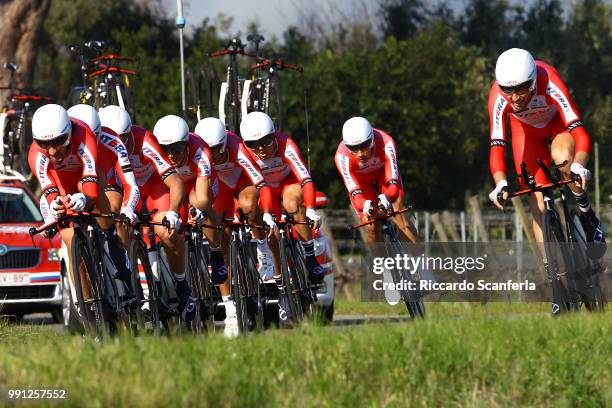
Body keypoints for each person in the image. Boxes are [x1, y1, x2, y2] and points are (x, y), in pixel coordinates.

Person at [487, 48, 605, 260]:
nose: (514, 98)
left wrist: (578, 165)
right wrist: (500, 183)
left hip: (556, 124)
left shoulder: (548, 78)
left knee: (563, 160)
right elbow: (497, 145)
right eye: (507, 90)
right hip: (525, 133)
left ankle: (587, 216)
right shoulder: (497, 96)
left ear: (532, 83)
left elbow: (580, 133)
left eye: (521, 90)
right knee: (536, 196)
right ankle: (551, 272)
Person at [98, 105, 196, 322]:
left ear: (131, 132)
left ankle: (181, 285)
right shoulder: (102, 146)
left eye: (124, 138)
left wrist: (172, 212)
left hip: (153, 188)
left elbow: (174, 181)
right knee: (116, 217)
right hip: (122, 188)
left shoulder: (145, 140)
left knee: (166, 231)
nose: (119, 145)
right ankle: (130, 281)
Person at [152, 115, 236, 337]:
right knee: (164, 223)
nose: (171, 155)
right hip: (174, 190)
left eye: (177, 149)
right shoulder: (158, 153)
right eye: (165, 149)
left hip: (200, 187)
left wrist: (198, 210)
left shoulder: (201, 151)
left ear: (187, 145)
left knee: (202, 204)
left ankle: (217, 257)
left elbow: (204, 194)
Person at [194, 117, 279, 331]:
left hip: (242, 183)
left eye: (218, 150)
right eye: (209, 150)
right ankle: (229, 306)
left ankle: (262, 249)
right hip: (218, 188)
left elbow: (260, 182)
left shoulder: (236, 147)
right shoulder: (199, 154)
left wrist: (267, 213)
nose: (213, 155)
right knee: (219, 239)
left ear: (225, 143)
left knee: (249, 205)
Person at [28, 103, 113, 312]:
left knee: (103, 207)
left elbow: (92, 187)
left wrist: (85, 198)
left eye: (58, 142)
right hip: (61, 185)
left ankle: (115, 251)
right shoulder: (35, 155)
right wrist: (56, 202)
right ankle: (87, 305)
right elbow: (48, 190)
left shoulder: (84, 135)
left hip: (84, 179)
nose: (52, 151)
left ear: (69, 134)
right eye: (44, 144)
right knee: (71, 239)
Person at [239, 111, 324, 284]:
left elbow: (305, 178)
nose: (261, 148)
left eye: (266, 141)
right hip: (262, 188)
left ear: (274, 135)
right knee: (271, 232)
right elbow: (248, 186)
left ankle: (310, 255)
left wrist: (310, 208)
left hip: (287, 183)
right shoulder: (244, 153)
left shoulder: (286, 144)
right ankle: (277, 271)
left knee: (292, 203)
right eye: (253, 144)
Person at [335, 116, 418, 244]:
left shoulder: (386, 142)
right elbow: (356, 195)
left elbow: (393, 186)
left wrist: (387, 196)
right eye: (353, 148)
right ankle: (379, 262)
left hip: (383, 174)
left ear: (372, 140)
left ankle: (418, 261)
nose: (360, 153)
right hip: (361, 182)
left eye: (364, 146)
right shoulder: (341, 157)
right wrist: (365, 205)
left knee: (397, 211)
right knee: (370, 224)